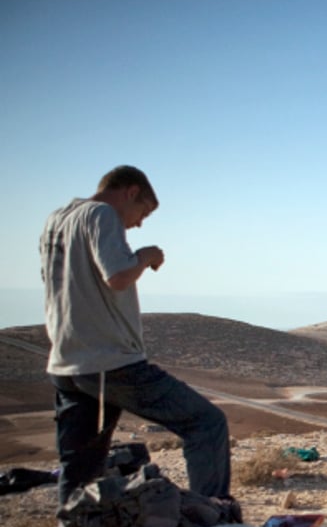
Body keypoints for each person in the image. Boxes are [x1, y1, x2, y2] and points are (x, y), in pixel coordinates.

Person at [39, 165, 232, 505]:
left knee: (81, 465)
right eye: (143, 211)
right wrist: (145, 256)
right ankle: (213, 518)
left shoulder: (58, 218)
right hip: (109, 360)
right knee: (206, 423)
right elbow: (117, 276)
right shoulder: (101, 214)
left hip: (66, 363)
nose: (139, 222)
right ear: (130, 192)